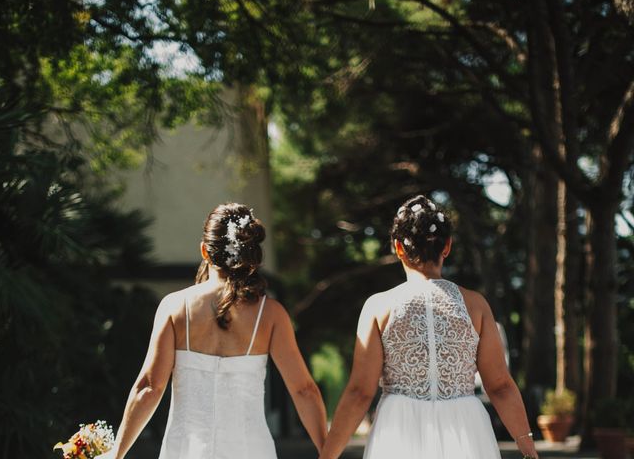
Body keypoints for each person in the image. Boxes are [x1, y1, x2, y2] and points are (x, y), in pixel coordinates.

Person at [98, 203, 327, 459]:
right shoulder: (271, 314)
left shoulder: (175, 307)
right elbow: (304, 390)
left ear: (205, 251)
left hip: (185, 451)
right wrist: (328, 453)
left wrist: (116, 454)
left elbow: (150, 388)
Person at [318, 195, 538, 459]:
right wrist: (529, 450)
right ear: (447, 247)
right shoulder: (476, 305)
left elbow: (360, 393)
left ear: (399, 248)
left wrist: (327, 455)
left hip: (398, 432)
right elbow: (500, 385)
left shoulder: (379, 307)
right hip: (466, 432)